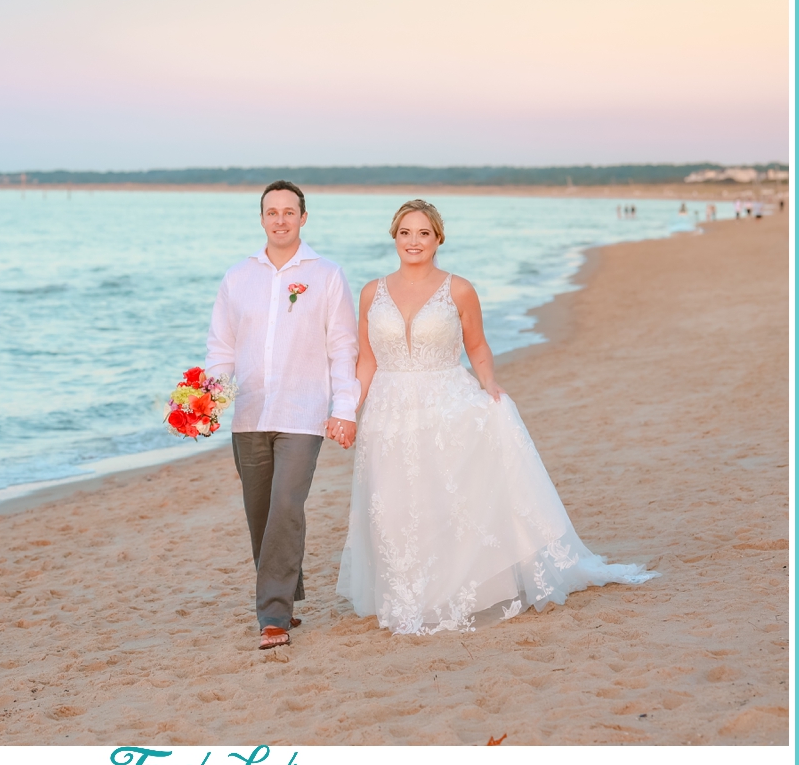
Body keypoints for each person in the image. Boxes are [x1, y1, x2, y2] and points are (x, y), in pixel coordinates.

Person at [336, 199, 658, 635]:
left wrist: (490, 385)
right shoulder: (372, 292)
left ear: (438, 239)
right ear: (394, 237)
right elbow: (367, 358)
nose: (414, 242)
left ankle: (449, 592)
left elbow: (478, 346)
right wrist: (348, 409)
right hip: (388, 412)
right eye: (406, 233)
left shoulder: (459, 289)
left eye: (424, 234)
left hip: (444, 400)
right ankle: (407, 595)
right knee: (392, 506)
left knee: (444, 500)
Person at [206, 180, 359, 650]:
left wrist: (345, 409)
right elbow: (221, 346)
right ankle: (286, 590)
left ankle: (274, 614)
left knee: (287, 506)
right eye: (271, 212)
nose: (280, 219)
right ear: (261, 219)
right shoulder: (237, 277)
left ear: (303, 218)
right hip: (249, 413)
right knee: (260, 513)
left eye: (289, 212)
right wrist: (209, 399)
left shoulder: (327, 274)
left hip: (303, 411)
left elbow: (342, 348)